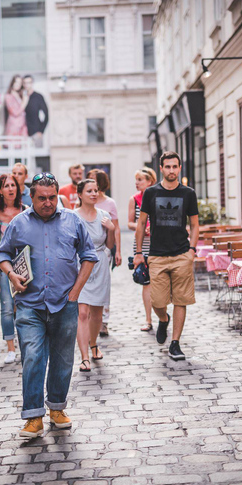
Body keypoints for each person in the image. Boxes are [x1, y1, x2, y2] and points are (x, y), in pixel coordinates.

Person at [0, 173, 97, 438]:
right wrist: (11, 275)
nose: (48, 203)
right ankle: (33, 417)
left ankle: (57, 408)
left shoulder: (72, 221)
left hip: (64, 303)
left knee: (63, 360)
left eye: (52, 198)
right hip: (30, 304)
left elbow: (88, 256)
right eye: (42, 198)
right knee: (33, 356)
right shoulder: (18, 224)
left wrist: (75, 292)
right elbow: (1, 254)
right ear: (31, 197)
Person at [134, 152, 199, 361]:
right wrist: (138, 253)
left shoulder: (188, 193)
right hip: (157, 256)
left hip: (182, 254)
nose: (171, 170)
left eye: (175, 166)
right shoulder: (151, 193)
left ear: (180, 168)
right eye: (167, 167)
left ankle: (175, 343)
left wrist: (192, 250)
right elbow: (141, 224)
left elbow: (195, 224)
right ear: (161, 168)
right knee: (158, 301)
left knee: (181, 299)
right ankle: (163, 319)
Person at [73, 179, 115, 372]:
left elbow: (109, 246)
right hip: (79, 264)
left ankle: (93, 344)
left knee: (97, 313)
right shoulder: (72, 217)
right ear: (80, 194)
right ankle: (84, 357)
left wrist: (111, 230)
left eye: (96, 191)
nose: (93, 194)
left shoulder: (104, 216)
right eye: (89, 191)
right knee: (82, 312)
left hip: (100, 264)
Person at [0, 174, 27, 363]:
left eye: (13, 185)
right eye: (6, 186)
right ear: (0, 190)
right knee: (7, 307)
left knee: (24, 306)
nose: (10, 188)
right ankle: (10, 347)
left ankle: (26, 343)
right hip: (4, 265)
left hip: (23, 264)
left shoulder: (25, 210)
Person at [86, 169, 122, 337]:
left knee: (102, 285)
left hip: (104, 249)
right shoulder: (84, 202)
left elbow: (116, 229)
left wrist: (117, 251)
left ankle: (103, 321)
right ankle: (88, 318)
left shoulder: (109, 204)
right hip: (86, 251)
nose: (92, 184)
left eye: (94, 180)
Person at [128, 167, 157, 332]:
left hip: (158, 243)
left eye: (140, 180)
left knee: (159, 281)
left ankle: (162, 314)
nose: (137, 183)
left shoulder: (158, 197)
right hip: (141, 244)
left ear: (150, 181)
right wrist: (141, 227)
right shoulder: (134, 199)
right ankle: (148, 319)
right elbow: (130, 223)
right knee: (146, 282)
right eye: (136, 180)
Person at [23, 75, 49, 148]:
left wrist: (41, 131)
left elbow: (46, 114)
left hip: (36, 132)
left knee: (38, 154)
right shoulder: (22, 97)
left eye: (28, 83)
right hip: (23, 132)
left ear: (32, 83)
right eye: (25, 83)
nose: (27, 85)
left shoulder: (38, 97)